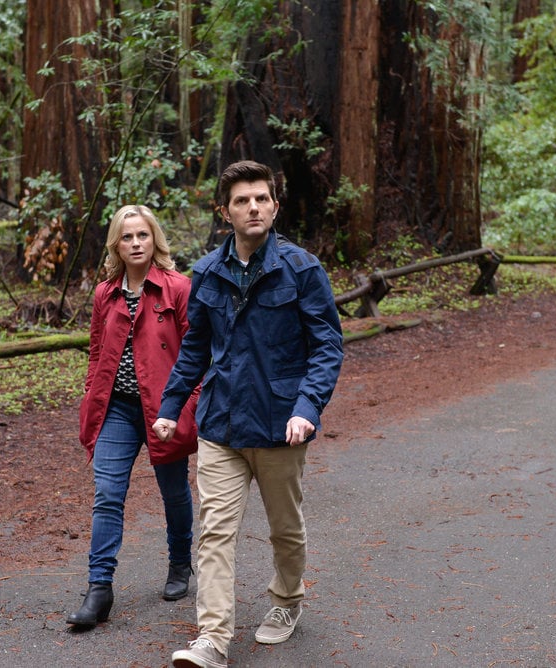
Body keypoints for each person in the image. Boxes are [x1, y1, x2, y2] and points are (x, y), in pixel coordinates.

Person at [152, 160, 344, 667]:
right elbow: (195, 346)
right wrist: (172, 406)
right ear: (226, 212)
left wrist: (307, 408)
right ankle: (212, 640)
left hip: (282, 426)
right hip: (222, 424)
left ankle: (286, 600)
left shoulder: (301, 269)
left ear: (275, 207)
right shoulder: (208, 272)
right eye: (242, 200)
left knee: (285, 528)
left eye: (261, 198)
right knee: (215, 530)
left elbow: (327, 345)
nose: (253, 207)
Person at [67, 204, 199, 629]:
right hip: (117, 409)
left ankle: (180, 562)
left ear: (154, 239)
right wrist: (92, 393)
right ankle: (99, 589)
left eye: (143, 235)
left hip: (164, 409)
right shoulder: (106, 293)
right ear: (117, 245)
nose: (136, 243)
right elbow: (95, 352)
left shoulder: (178, 288)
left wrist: (182, 409)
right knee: (107, 494)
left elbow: (196, 355)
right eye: (127, 237)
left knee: (173, 491)